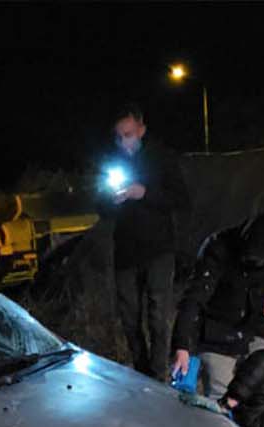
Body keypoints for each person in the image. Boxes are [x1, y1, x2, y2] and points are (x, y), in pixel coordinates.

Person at [106, 104, 190, 381]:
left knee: (158, 316)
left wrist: (145, 193)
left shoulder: (162, 159)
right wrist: (110, 200)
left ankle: (158, 374)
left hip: (158, 250)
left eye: (128, 134)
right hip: (126, 253)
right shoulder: (112, 162)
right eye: (118, 136)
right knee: (130, 318)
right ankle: (142, 372)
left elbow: (181, 200)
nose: (123, 142)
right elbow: (100, 208)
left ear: (141, 130)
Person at [171, 211, 264, 401]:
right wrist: (182, 345)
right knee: (224, 401)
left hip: (253, 328)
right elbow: (193, 299)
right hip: (215, 333)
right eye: (255, 259)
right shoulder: (219, 247)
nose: (259, 263)